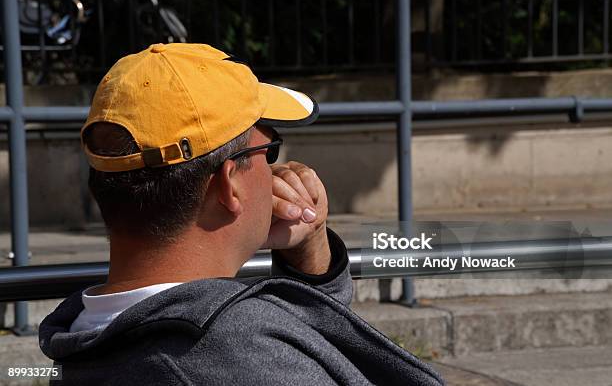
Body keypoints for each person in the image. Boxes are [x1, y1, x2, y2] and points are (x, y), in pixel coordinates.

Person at [39, 43, 444, 386]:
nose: (281, 172)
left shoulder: (89, 334)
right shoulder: (236, 353)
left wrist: (310, 255)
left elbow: (306, 343)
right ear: (229, 183)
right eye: (270, 151)